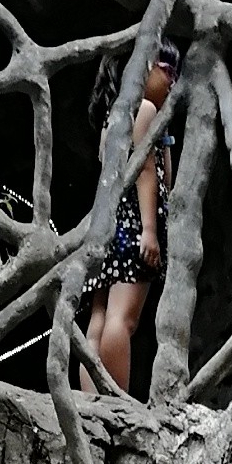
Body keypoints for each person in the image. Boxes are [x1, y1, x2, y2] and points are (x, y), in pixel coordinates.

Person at [77, 41, 180, 393]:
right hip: (134, 226)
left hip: (106, 228)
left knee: (99, 320)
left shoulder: (114, 119)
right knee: (125, 319)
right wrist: (149, 231)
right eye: (165, 67)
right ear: (142, 67)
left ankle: (91, 403)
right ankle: (116, 401)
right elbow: (149, 173)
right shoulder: (145, 109)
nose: (172, 77)